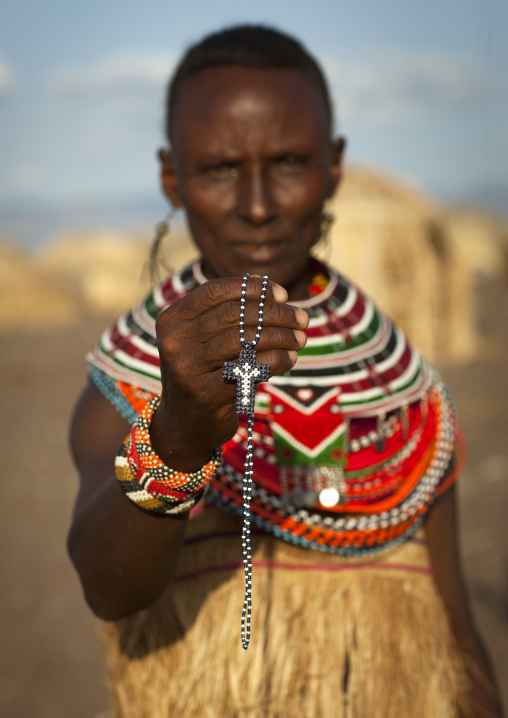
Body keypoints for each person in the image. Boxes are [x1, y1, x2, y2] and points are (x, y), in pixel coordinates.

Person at [68, 25, 503, 718]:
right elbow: (110, 588)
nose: (260, 205)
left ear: (334, 166)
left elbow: (455, 636)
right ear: (170, 179)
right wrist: (175, 440)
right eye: (218, 169)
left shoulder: (406, 396)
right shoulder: (129, 379)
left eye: (292, 162)